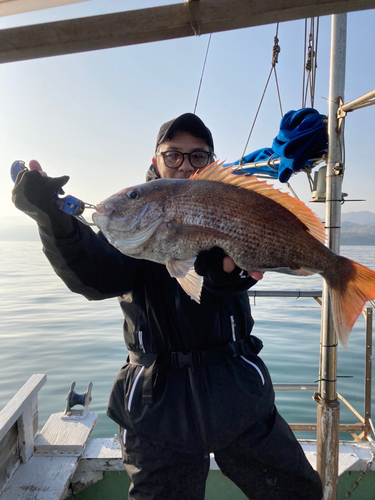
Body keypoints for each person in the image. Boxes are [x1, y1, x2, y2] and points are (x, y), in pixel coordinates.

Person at [12, 113, 322, 500]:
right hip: (155, 401)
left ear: (211, 161)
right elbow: (95, 276)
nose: (185, 163)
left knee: (298, 492)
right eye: (173, 154)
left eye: (198, 156)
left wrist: (230, 277)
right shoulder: (137, 215)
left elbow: (241, 259)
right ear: (155, 160)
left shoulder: (222, 202)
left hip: (237, 387)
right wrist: (52, 218)